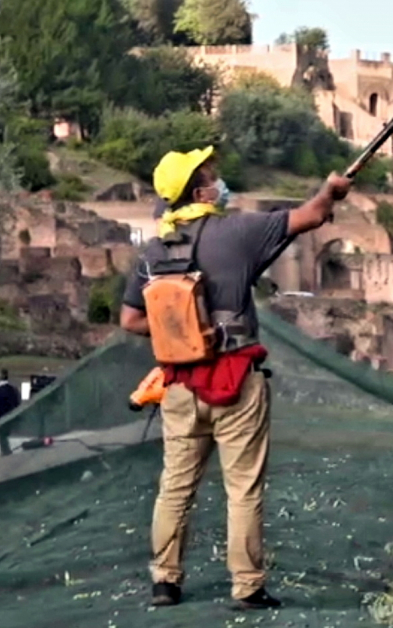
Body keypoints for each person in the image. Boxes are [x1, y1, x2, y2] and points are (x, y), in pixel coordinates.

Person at [119, 145, 352, 609]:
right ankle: (247, 587)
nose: (217, 180)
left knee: (175, 488)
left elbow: (129, 320)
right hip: (236, 380)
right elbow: (311, 215)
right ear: (199, 189)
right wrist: (331, 189)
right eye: (210, 174)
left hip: (180, 384)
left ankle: (165, 582)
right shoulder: (239, 231)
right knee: (242, 489)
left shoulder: (152, 251)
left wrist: (182, 334)